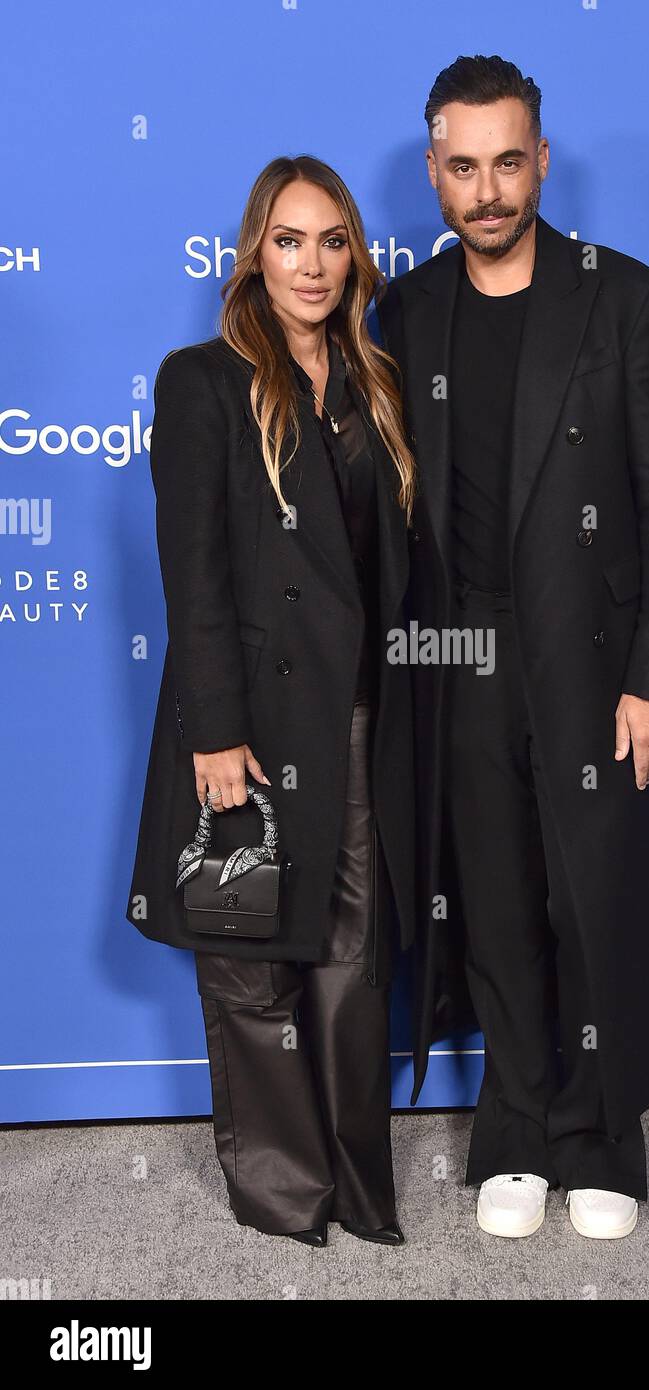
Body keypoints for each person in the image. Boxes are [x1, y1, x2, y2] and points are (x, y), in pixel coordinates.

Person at [377, 55, 649, 1240]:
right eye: (462, 167)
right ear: (435, 172)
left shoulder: (625, 297)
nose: (488, 188)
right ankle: (513, 1125)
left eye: (508, 161)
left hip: (595, 656)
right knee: (500, 900)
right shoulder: (404, 310)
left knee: (596, 896)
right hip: (458, 657)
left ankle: (601, 1131)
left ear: (542, 161)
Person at [126, 154, 416, 1247]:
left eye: (333, 240)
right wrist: (216, 728)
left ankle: (354, 1173)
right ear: (256, 251)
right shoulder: (202, 379)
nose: (313, 263)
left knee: (350, 951)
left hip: (357, 715)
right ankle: (285, 1187)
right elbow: (190, 565)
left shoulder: (376, 383)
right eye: (290, 239)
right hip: (249, 719)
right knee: (251, 947)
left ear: (355, 256)